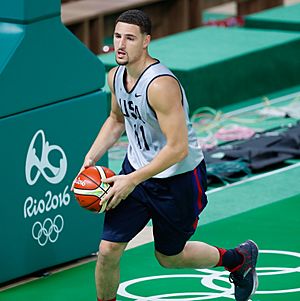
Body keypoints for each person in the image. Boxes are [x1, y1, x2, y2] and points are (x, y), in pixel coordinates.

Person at [74, 9, 258, 301]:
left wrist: (131, 179)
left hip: (178, 179)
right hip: (135, 172)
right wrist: (91, 156)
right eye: (117, 36)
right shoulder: (115, 76)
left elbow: (177, 148)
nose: (121, 45)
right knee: (108, 251)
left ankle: (238, 259)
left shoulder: (161, 86)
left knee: (169, 257)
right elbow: (116, 119)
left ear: (146, 41)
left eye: (130, 38)